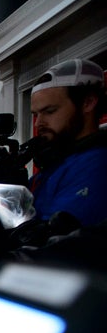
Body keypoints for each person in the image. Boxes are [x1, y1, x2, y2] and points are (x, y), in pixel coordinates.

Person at [28, 58, 107, 227]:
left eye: (49, 111)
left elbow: (53, 241)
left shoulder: (98, 163)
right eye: (36, 114)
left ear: (88, 103)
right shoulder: (55, 163)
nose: (38, 123)